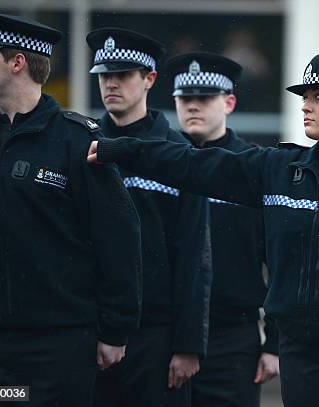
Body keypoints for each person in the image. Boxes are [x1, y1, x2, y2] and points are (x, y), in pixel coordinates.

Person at [88, 50, 319, 407]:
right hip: (301, 352)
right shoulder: (280, 168)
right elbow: (192, 164)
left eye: (318, 97)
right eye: (305, 97)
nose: (305, 106)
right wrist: (124, 150)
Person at [0, 10, 141, 406]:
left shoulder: (77, 142)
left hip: (56, 346)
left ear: (17, 62)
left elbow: (119, 238)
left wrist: (115, 330)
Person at [86, 28, 211, 407]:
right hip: (92, 328)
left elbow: (194, 254)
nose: (110, 84)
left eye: (122, 75)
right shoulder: (82, 145)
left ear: (149, 79)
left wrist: (189, 345)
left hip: (156, 333)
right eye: (105, 76)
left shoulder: (178, 153)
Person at [164, 51, 279, 407]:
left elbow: (279, 260)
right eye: (185, 99)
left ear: (229, 102)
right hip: (166, 333)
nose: (193, 106)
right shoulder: (161, 162)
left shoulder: (254, 169)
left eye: (204, 98)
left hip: (232, 336)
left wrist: (274, 343)